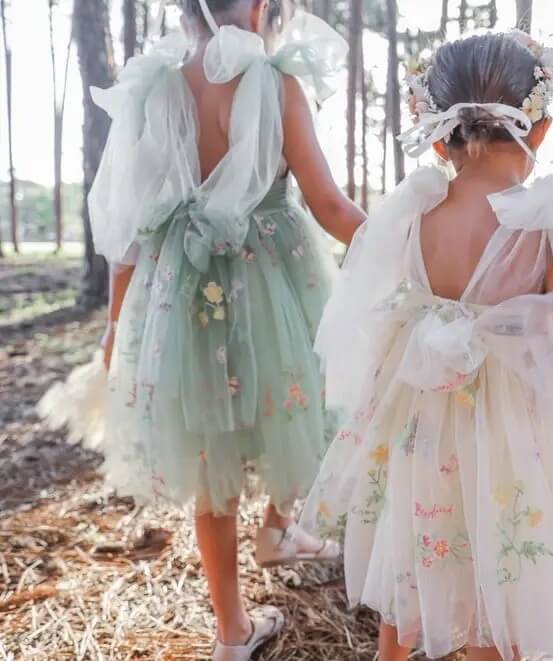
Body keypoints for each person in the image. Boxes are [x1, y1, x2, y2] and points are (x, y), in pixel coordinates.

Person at [301, 31, 553, 661]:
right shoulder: (550, 219)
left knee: (416, 555)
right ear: (543, 126)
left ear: (436, 130)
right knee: (500, 572)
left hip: (423, 428)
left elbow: (379, 316)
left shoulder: (416, 212)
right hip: (516, 436)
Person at [87, 0, 365, 657]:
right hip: (277, 279)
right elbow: (327, 203)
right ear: (263, 7)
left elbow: (128, 229)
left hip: (179, 289)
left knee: (213, 456)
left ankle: (232, 628)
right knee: (304, 399)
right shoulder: (277, 81)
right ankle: (278, 525)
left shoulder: (156, 88)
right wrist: (405, 245)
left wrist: (114, 323)